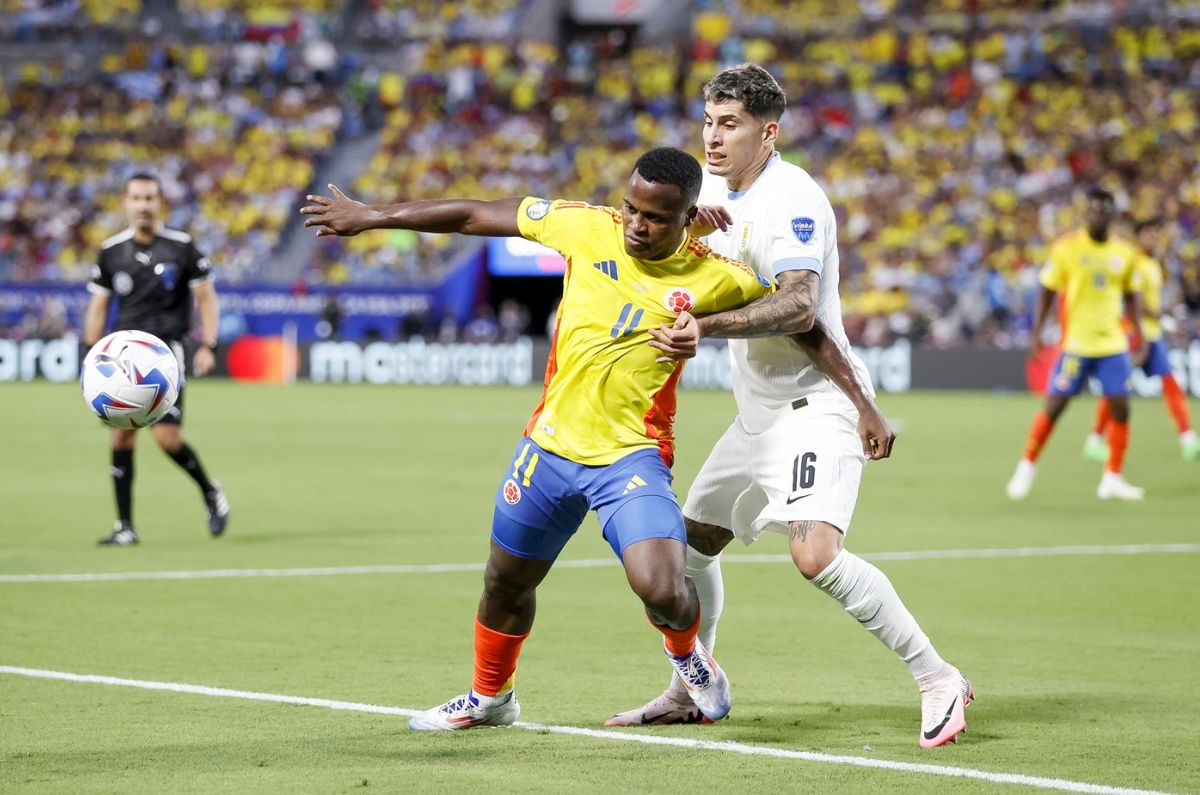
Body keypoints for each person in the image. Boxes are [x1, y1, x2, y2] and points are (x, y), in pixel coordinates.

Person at [300, 147, 773, 731]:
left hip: (629, 455)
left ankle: (687, 659)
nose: (635, 225)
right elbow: (475, 214)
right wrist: (373, 216)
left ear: (687, 216)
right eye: (630, 208)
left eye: (654, 217)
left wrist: (848, 400)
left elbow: (797, 312)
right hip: (546, 450)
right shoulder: (586, 226)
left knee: (661, 587)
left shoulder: (719, 277)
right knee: (504, 582)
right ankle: (490, 698)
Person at [608, 64, 972, 749]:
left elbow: (800, 304)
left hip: (815, 404)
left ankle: (938, 676)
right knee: (688, 547)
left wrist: (859, 402)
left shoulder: (794, 199)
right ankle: (692, 684)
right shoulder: (707, 187)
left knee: (816, 556)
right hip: (758, 413)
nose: (714, 138)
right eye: (709, 122)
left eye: (731, 125)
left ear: (767, 132)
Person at [83, 173, 230, 545]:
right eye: (136, 198)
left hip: (165, 355)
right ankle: (125, 527)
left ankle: (210, 490)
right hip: (121, 356)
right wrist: (89, 356)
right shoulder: (111, 250)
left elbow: (207, 298)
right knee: (122, 438)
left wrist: (209, 344)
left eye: (149, 198)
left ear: (160, 202)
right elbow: (98, 307)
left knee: (166, 438)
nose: (143, 205)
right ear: (126, 202)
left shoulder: (182, 247)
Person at [1007, 188, 1146, 501]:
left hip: (1113, 344)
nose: (1098, 214)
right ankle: (1026, 466)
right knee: (1055, 406)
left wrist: (1141, 336)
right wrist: (1037, 332)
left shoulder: (1124, 252)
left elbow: (1132, 296)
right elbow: (1046, 290)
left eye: (1103, 210)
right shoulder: (1067, 248)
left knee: (1121, 408)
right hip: (1076, 344)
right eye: (1093, 209)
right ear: (1087, 213)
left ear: (1111, 214)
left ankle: (1113, 477)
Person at [1083, 219, 1199, 462]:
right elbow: (1130, 298)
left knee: (1171, 384)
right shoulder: (1133, 261)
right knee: (1117, 389)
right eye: (1149, 234)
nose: (1154, 238)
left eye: (1156, 233)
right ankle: (1094, 439)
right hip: (1135, 335)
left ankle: (1187, 437)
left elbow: (1155, 301)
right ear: (1139, 236)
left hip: (1153, 334)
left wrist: (1165, 323)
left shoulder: (1154, 263)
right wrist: (1156, 318)